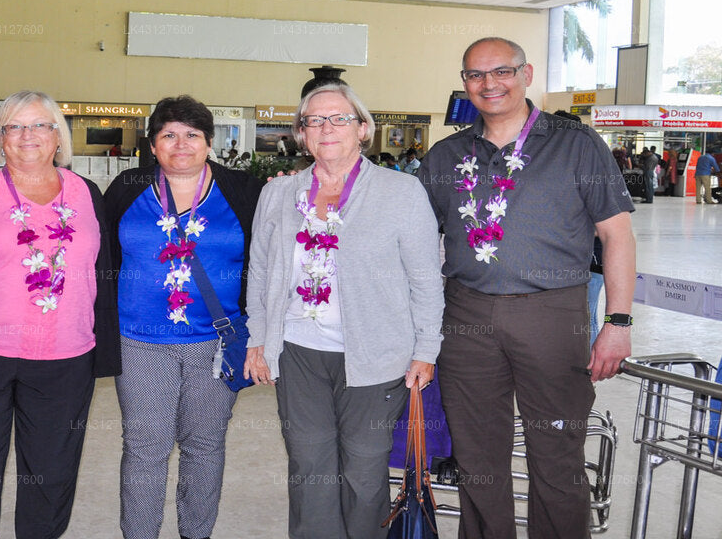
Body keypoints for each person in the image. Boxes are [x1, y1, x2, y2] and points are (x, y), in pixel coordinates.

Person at [417, 37, 635, 539]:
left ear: (527, 73)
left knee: (557, 455)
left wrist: (617, 323)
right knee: (476, 457)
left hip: (552, 315)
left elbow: (617, 235)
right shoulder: (447, 155)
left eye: (502, 71)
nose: (489, 83)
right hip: (465, 317)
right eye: (475, 75)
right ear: (464, 83)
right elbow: (413, 239)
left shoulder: (575, 144)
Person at [244, 83, 444, 539]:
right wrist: (258, 338)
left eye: (339, 118)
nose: (326, 128)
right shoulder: (278, 195)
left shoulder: (401, 191)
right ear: (301, 133)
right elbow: (259, 272)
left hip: (378, 356)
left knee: (363, 467)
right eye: (314, 120)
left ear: (362, 130)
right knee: (309, 464)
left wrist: (427, 349)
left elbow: (426, 279)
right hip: (297, 352)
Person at [0, 90, 120, 539]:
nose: (27, 135)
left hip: (66, 360)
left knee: (51, 475)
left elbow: (105, 268)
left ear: (58, 137)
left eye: (40, 125)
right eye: (14, 126)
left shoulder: (87, 193)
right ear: (1, 136)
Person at [104, 96, 262, 539]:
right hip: (139, 341)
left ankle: (197, 533)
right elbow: (102, 259)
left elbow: (264, 262)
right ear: (153, 145)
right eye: (168, 134)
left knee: (205, 446)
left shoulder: (243, 190)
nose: (181, 144)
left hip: (216, 342)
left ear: (209, 142)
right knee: (144, 447)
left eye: (192, 135)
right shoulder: (128, 186)